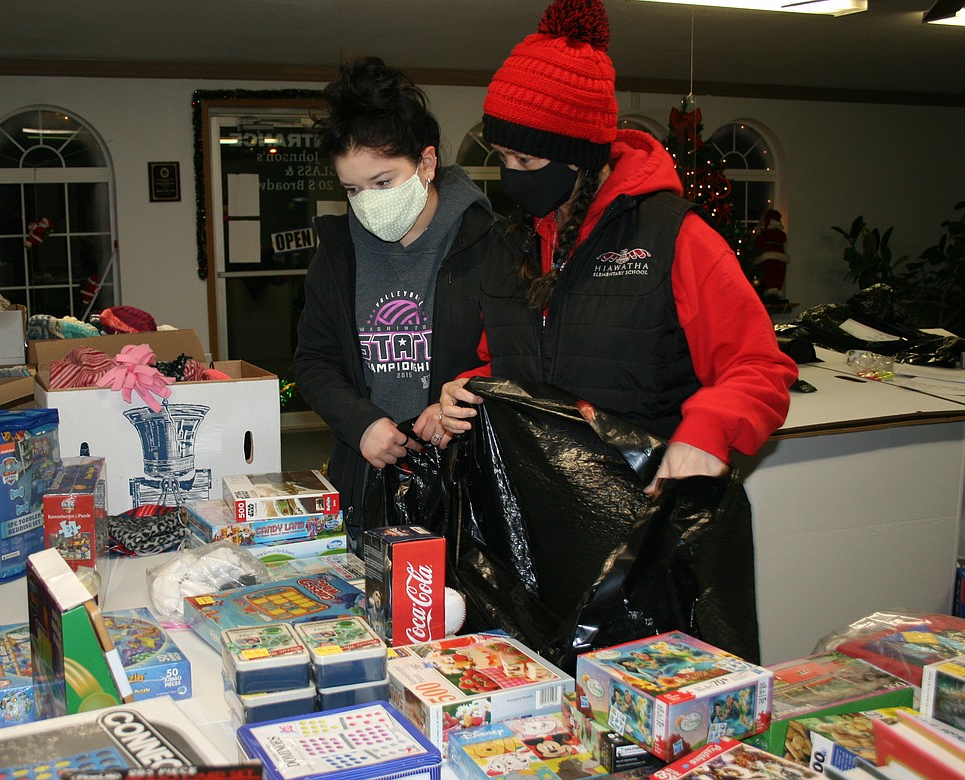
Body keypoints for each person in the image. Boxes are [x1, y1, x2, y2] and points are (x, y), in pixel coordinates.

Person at [438, 0, 797, 496]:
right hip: (535, 506)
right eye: (503, 158)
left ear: (580, 158)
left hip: (639, 509)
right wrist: (469, 387)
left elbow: (759, 367)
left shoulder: (675, 238)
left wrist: (708, 434)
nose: (511, 174)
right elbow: (508, 358)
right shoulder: (511, 242)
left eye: (526, 158)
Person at [293, 56, 516, 550]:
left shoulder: (490, 244)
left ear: (427, 163)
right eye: (352, 189)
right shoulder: (337, 256)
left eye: (383, 182)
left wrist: (463, 396)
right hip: (367, 477)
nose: (367, 201)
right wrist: (361, 423)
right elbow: (314, 361)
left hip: (470, 484)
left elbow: (520, 357)